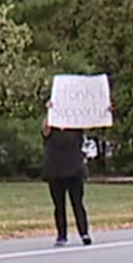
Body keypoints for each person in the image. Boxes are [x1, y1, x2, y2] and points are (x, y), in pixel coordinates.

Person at [43, 103, 93, 246]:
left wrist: (104, 110)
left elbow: (90, 121)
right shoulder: (50, 130)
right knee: (59, 205)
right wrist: (49, 110)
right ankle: (62, 235)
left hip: (74, 170)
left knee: (78, 203)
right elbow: (45, 129)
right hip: (55, 171)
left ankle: (84, 233)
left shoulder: (75, 129)